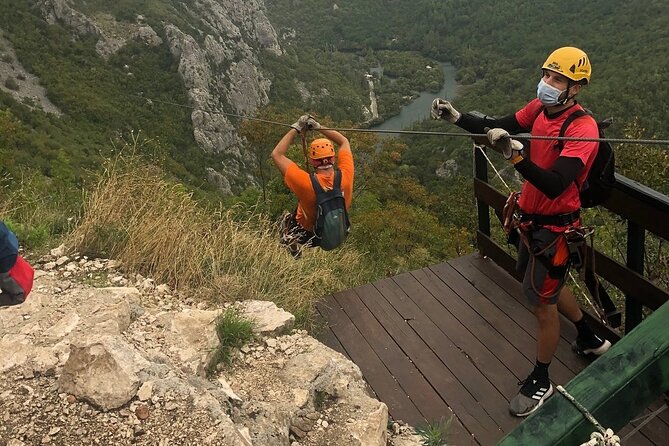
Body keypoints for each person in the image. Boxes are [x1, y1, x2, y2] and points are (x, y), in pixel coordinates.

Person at [431, 46, 611, 417]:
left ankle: (542, 379)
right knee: (541, 289)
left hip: (555, 227)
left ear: (575, 88)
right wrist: (457, 118)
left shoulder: (582, 128)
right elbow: (499, 124)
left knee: (541, 303)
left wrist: (515, 156)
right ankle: (590, 337)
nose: (547, 83)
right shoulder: (540, 109)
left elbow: (556, 183)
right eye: (547, 74)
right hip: (532, 220)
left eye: (557, 79)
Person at [271, 115, 354, 257]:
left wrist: (296, 127)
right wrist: (319, 127)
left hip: (309, 236)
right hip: (339, 228)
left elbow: (277, 155)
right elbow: (343, 141)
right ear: (333, 158)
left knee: (285, 220)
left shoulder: (304, 182)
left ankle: (292, 244)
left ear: (313, 162)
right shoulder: (346, 174)